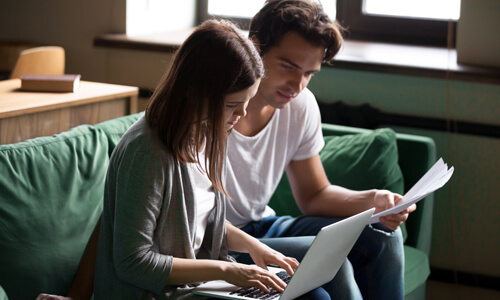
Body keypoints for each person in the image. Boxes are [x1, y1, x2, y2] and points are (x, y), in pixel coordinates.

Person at [39, 1, 416, 299]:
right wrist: (79, 293)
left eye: (310, 73)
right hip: (196, 262)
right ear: (252, 49)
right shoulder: (174, 137)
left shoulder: (219, 125)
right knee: (328, 277)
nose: (298, 85)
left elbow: (308, 196)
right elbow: (124, 226)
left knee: (376, 238)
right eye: (288, 66)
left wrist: (373, 202)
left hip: (245, 234)